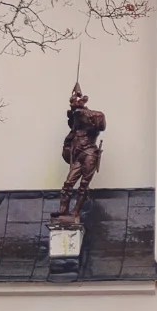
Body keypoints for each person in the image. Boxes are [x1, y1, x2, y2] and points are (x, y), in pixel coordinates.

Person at [54, 84, 105, 226]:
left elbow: (101, 122)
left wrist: (82, 107)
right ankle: (63, 211)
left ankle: (76, 212)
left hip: (90, 154)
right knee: (68, 183)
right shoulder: (75, 127)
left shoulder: (93, 121)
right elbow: (68, 142)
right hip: (78, 156)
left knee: (83, 185)